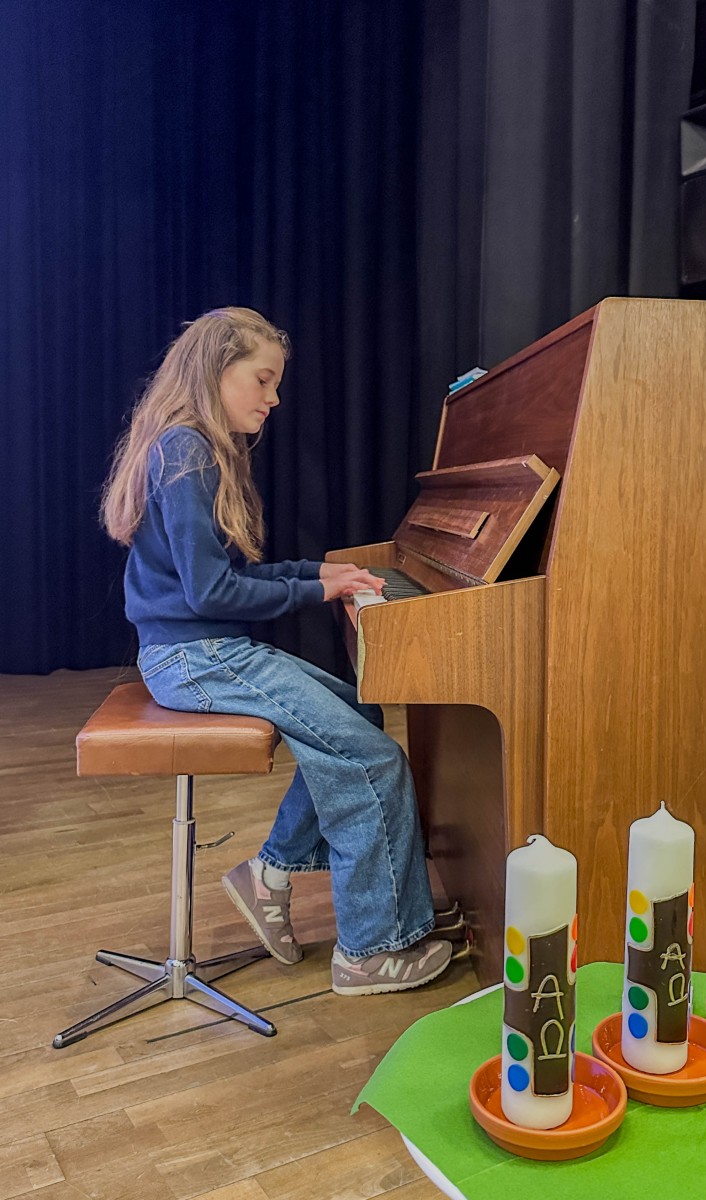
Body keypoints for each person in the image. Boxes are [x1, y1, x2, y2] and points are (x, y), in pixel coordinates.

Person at [100, 306, 452, 995]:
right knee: (372, 758)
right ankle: (372, 950)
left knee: (360, 714)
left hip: (201, 650)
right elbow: (212, 593)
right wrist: (314, 590)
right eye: (262, 379)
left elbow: (228, 577)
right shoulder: (187, 451)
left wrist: (320, 573)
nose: (274, 398)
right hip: (194, 658)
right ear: (216, 370)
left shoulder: (191, 448)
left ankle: (271, 874)